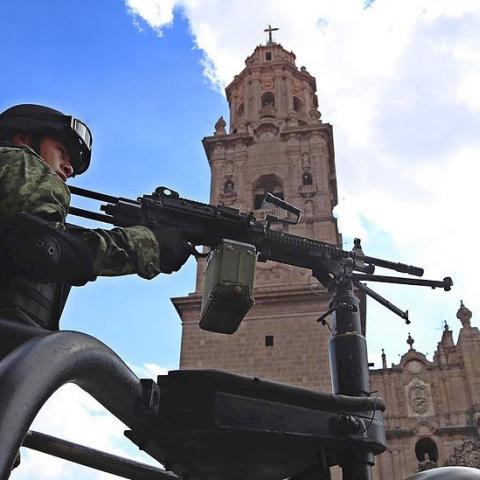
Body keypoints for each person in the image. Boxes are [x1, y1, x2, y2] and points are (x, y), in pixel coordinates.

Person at [0, 103, 192, 331]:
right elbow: (44, 249)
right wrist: (147, 245)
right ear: (23, 140)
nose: (69, 168)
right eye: (62, 151)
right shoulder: (19, 160)